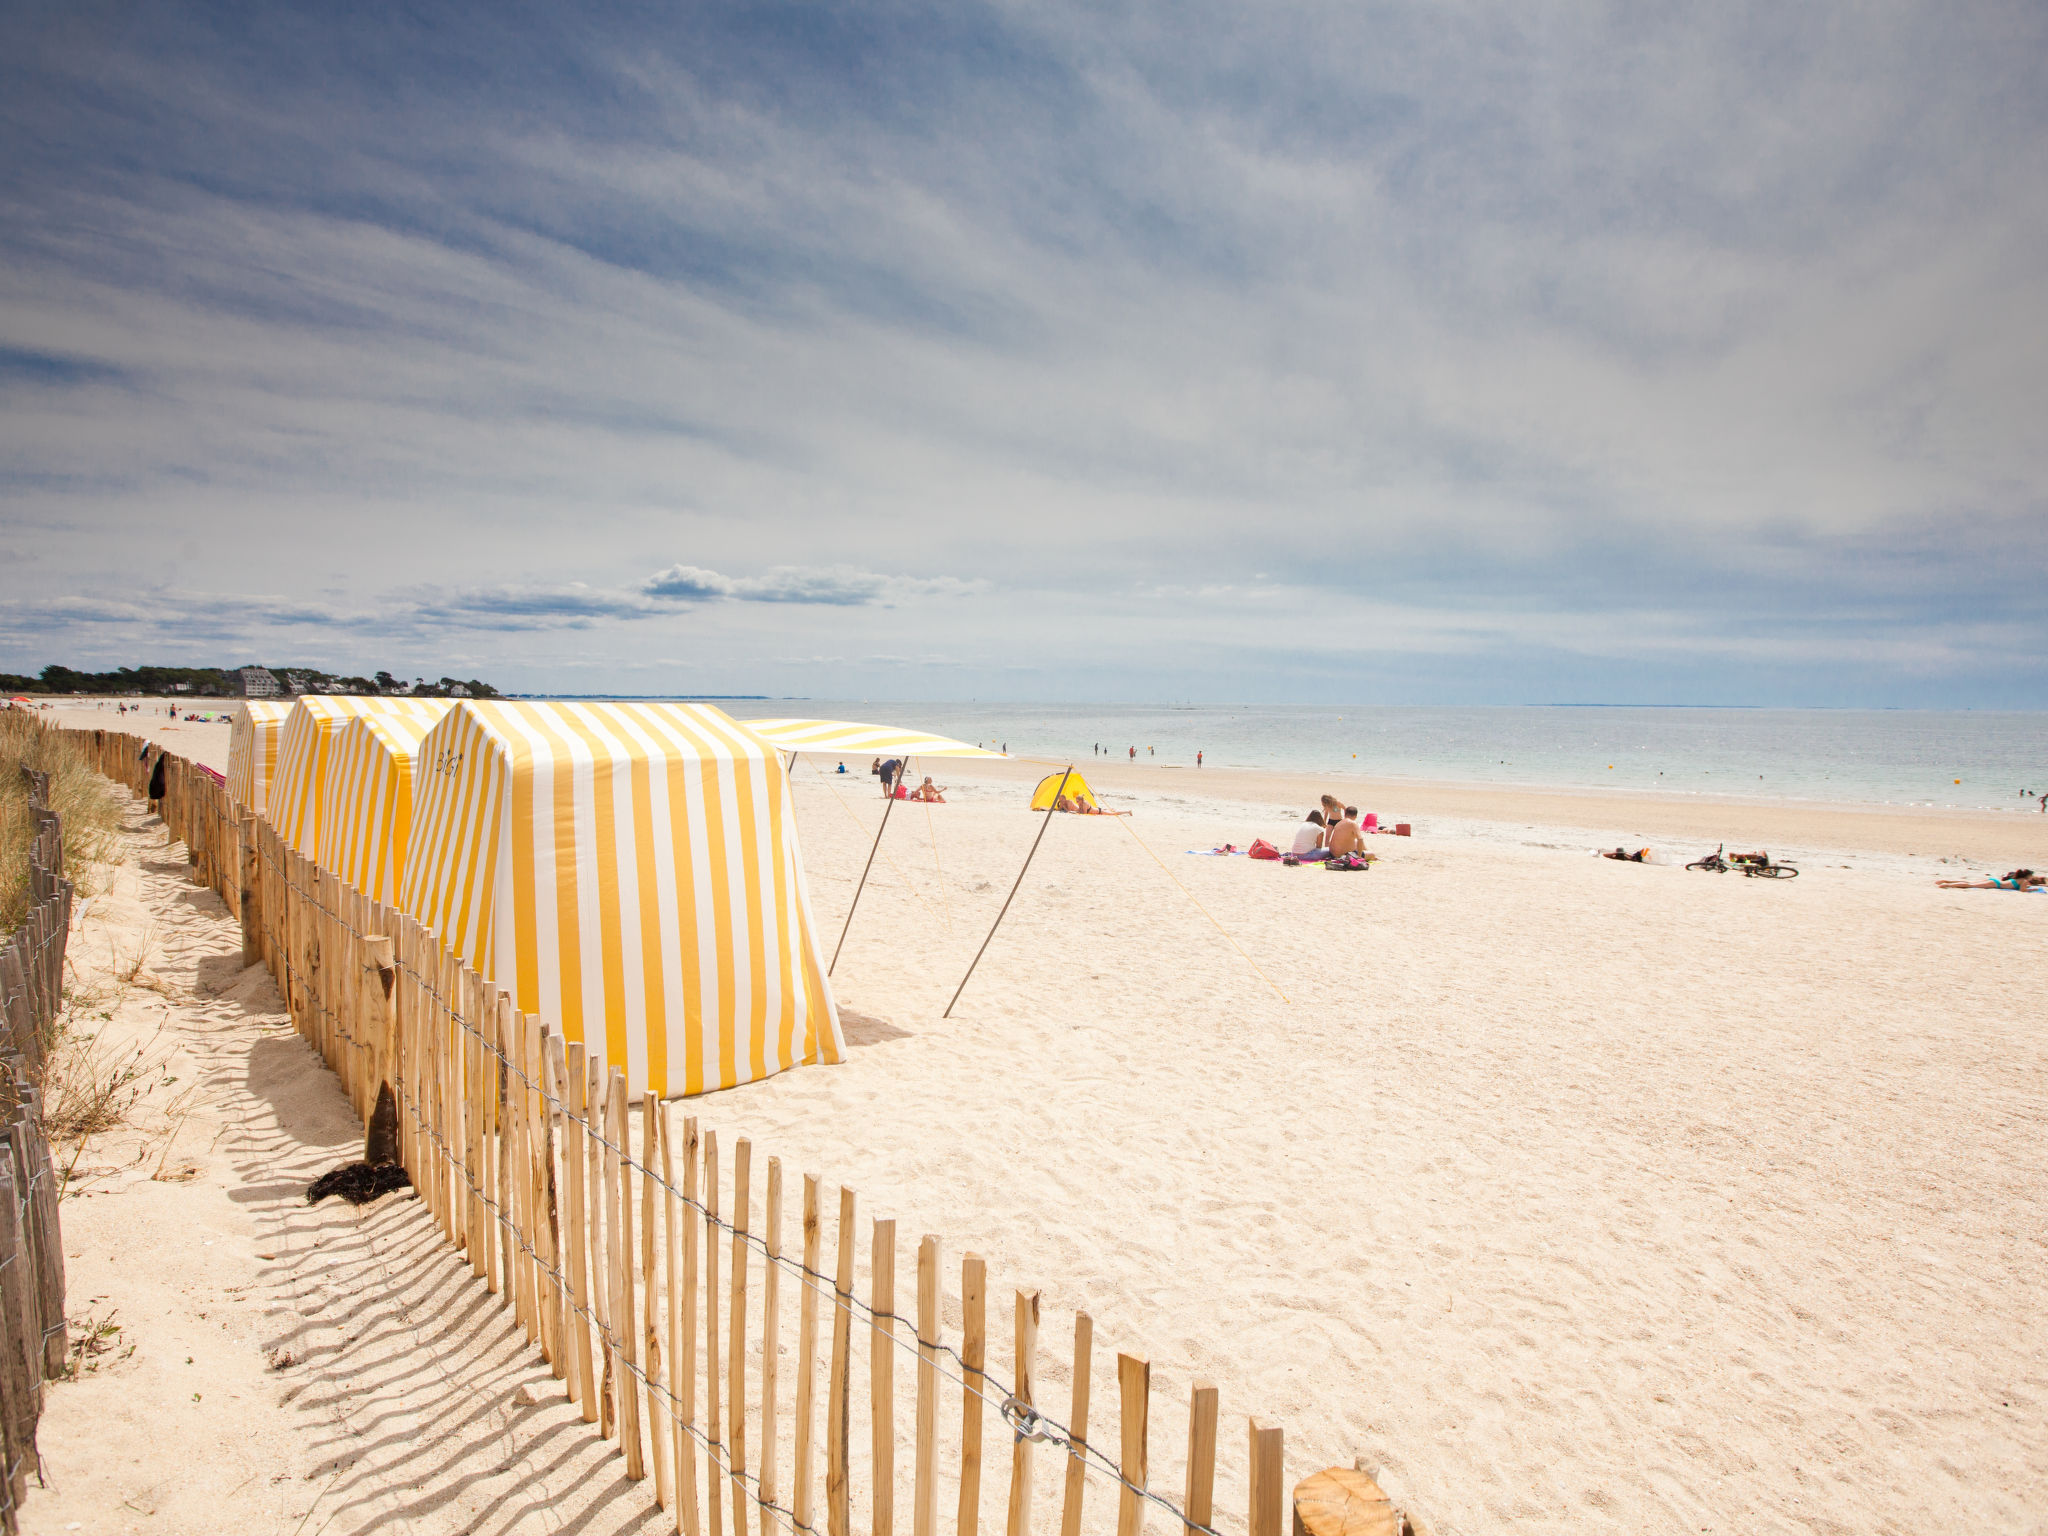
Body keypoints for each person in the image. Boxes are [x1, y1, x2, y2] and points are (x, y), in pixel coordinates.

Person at [1937, 868, 2044, 890]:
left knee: (1970, 882)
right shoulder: (2024, 881)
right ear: (2028, 876)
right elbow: (2023, 890)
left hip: (1995, 881)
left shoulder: (2018, 878)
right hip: (1996, 885)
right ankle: (1947, 885)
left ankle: (1947, 881)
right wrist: (2033, 889)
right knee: (1971, 885)